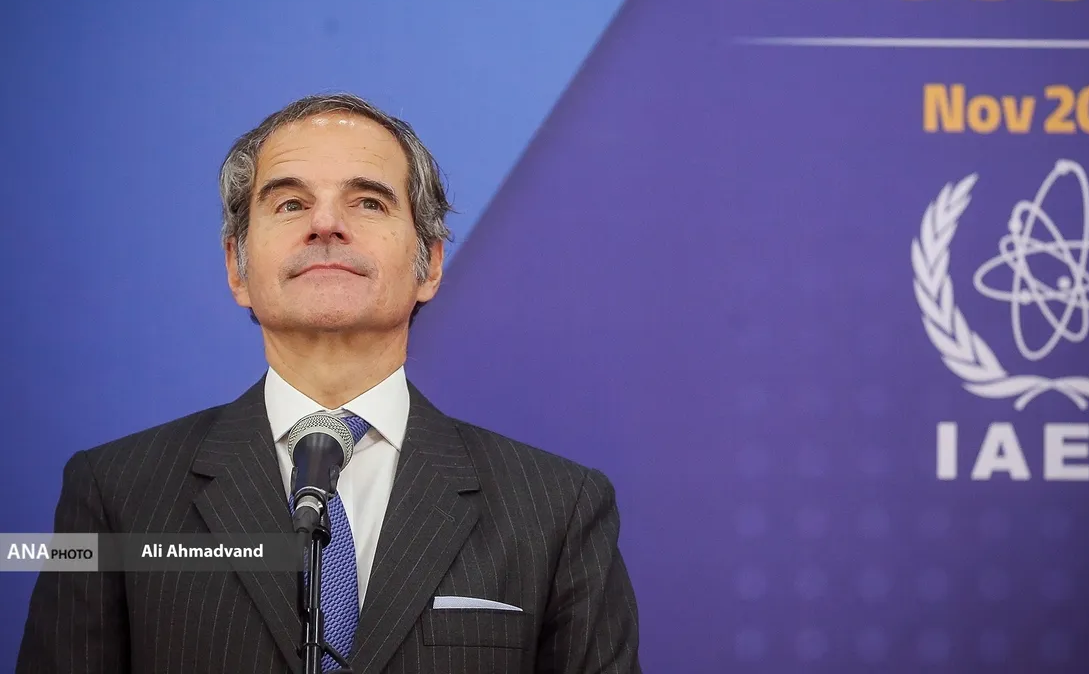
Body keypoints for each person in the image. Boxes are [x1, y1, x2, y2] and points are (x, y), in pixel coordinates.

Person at [17, 93, 641, 674]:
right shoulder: (116, 493)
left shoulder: (558, 509)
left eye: (368, 202)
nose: (325, 223)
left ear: (429, 265)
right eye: (290, 203)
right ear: (237, 268)